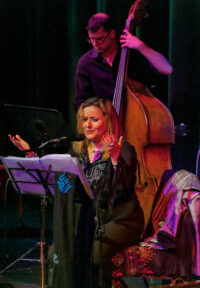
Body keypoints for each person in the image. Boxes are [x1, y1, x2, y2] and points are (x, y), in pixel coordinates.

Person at [8, 97, 144, 288]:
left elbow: (122, 186)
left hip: (118, 220)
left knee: (91, 253)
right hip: (85, 219)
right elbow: (59, 182)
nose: (87, 125)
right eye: (84, 119)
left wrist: (114, 157)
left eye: (94, 119)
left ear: (108, 121)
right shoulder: (77, 149)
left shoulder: (124, 149)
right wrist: (31, 154)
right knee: (57, 252)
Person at [74, 12, 172, 111]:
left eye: (99, 39)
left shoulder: (131, 55)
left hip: (136, 119)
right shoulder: (86, 63)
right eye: (91, 39)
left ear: (112, 34)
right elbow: (81, 102)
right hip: (105, 123)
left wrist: (141, 46)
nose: (95, 44)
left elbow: (167, 69)